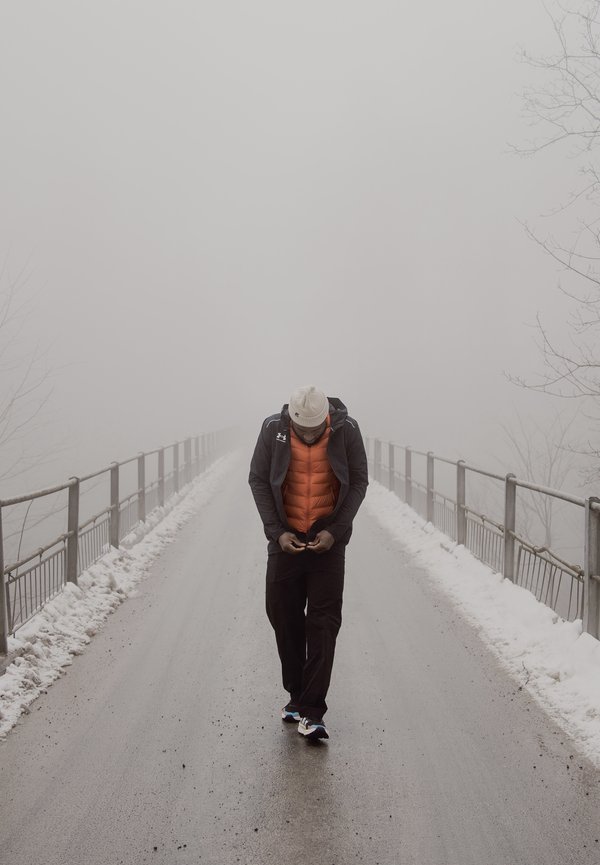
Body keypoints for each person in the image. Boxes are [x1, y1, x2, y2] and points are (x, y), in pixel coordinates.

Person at [248, 385, 368, 740]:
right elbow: (257, 478)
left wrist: (335, 530)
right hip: (285, 538)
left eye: (317, 430)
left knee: (323, 623)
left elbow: (359, 481)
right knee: (283, 618)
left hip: (327, 541)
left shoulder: (348, 430)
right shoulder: (274, 430)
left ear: (326, 419)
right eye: (304, 431)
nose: (311, 435)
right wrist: (276, 532)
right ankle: (297, 695)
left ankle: (313, 711)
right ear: (293, 421)